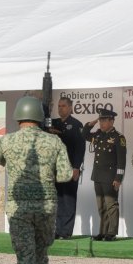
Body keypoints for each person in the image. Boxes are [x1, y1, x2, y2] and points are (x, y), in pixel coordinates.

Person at [0, 96, 72, 264]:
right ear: (40, 116)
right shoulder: (54, 142)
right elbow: (65, 175)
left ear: (18, 116)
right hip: (46, 207)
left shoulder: (7, 141)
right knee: (41, 255)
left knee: (26, 258)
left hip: (19, 208)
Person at [82, 108, 126, 241]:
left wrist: (118, 178)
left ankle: (111, 232)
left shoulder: (118, 137)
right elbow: (84, 134)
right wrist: (94, 121)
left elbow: (121, 160)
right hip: (98, 175)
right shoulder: (98, 135)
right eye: (100, 120)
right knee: (101, 205)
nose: (101, 123)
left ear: (112, 121)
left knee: (111, 205)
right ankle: (103, 231)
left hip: (110, 177)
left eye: (104, 120)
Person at [49, 97, 85, 239]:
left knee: (68, 200)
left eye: (63, 106)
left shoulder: (77, 125)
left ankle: (66, 232)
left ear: (70, 108)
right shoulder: (53, 123)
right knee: (57, 199)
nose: (60, 108)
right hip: (55, 168)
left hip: (70, 167)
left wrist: (77, 167)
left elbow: (80, 149)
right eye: (59, 106)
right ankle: (57, 231)